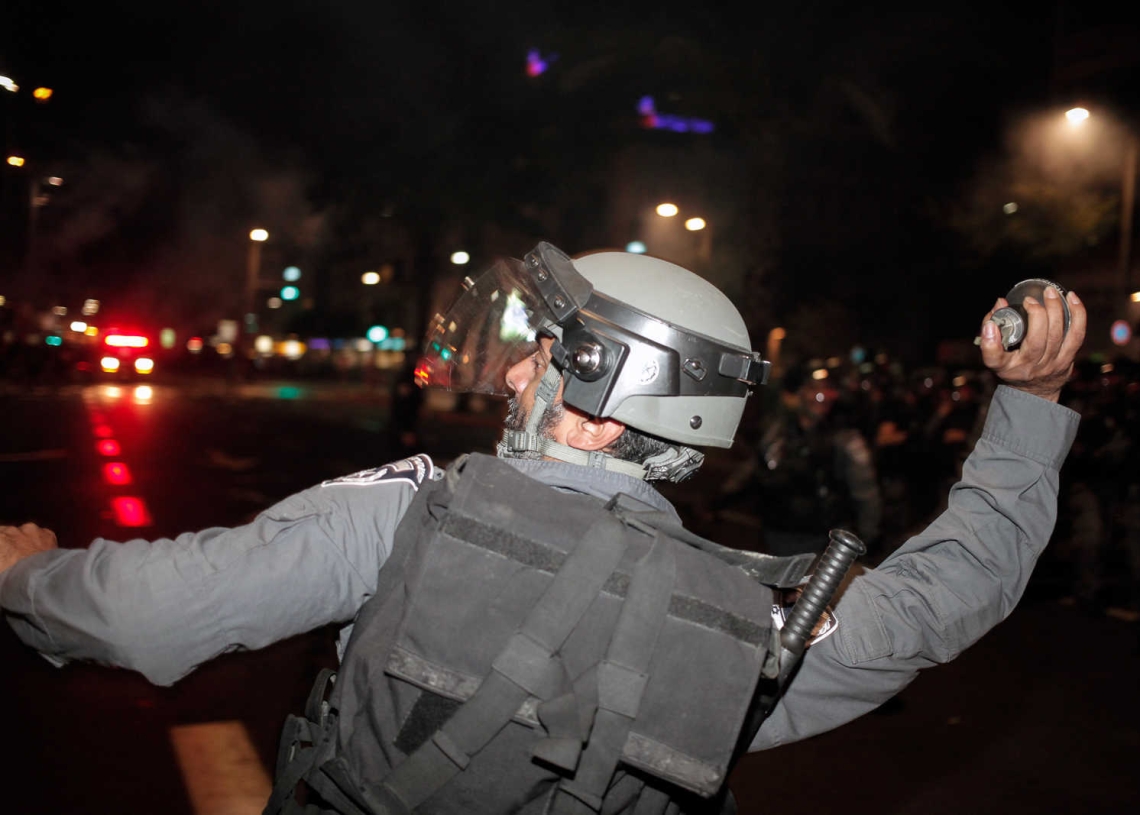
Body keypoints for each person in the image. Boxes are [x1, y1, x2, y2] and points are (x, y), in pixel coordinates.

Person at [0, 242, 1086, 814]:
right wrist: (1032, 402)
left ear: (599, 405)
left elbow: (144, 613)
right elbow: (947, 597)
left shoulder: (409, 510)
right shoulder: (743, 621)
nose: (516, 374)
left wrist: (29, 573)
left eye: (544, 357)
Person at [711, 362, 883, 559]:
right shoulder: (779, 431)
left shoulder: (844, 438)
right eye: (813, 389)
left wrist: (866, 537)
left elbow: (865, 492)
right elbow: (754, 469)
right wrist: (719, 500)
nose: (821, 397)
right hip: (777, 533)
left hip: (822, 541)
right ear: (798, 393)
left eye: (827, 390)